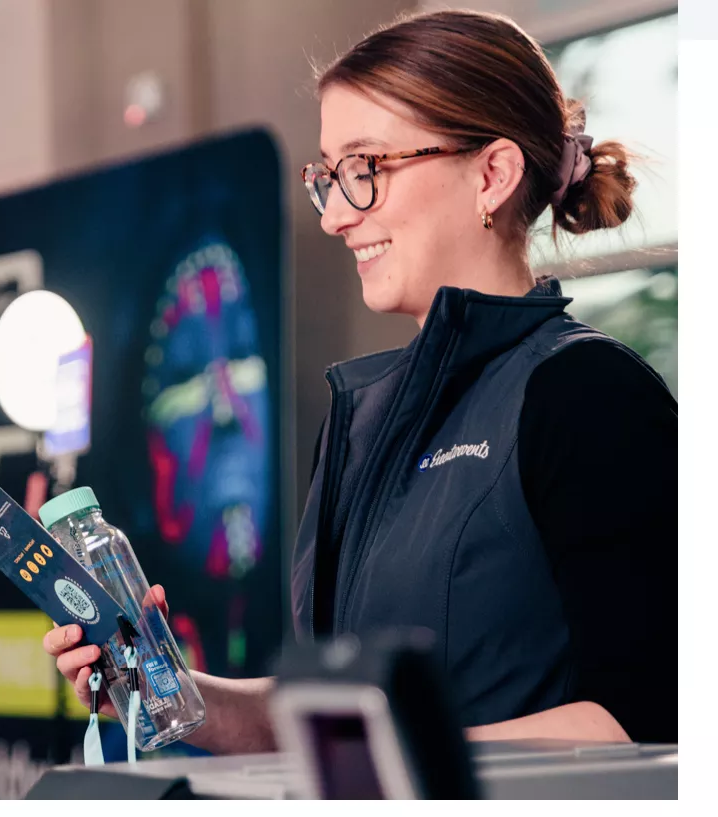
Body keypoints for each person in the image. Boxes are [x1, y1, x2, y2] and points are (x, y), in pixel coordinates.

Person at [44, 9, 677, 752]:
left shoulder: (588, 396)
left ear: (493, 175)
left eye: (366, 170)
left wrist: (390, 752)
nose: (336, 216)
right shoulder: (363, 420)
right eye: (328, 177)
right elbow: (325, 705)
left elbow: (650, 719)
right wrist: (164, 691)